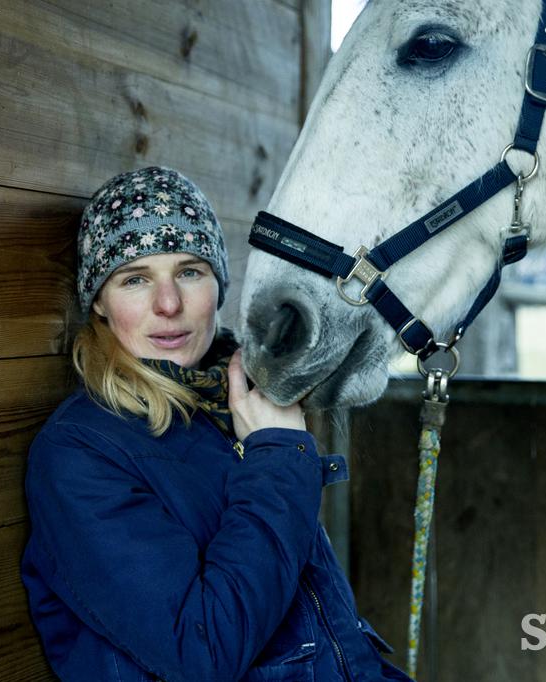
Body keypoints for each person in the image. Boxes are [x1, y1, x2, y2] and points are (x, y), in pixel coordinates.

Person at [21, 166, 412, 682]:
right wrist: (277, 457)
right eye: (135, 278)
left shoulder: (235, 403)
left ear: (219, 285)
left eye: (189, 271)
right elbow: (202, 653)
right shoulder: (80, 454)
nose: (169, 304)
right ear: (98, 300)